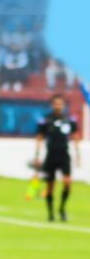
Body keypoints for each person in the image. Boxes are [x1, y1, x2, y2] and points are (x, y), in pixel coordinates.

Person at [35, 94, 80, 222]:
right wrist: (37, 156)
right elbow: (39, 138)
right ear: (52, 105)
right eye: (56, 103)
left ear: (63, 105)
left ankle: (62, 208)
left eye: (60, 104)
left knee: (67, 183)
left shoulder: (69, 120)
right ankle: (50, 213)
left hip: (64, 155)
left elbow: (75, 136)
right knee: (50, 186)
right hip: (51, 155)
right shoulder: (46, 119)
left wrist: (78, 154)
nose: (58, 106)